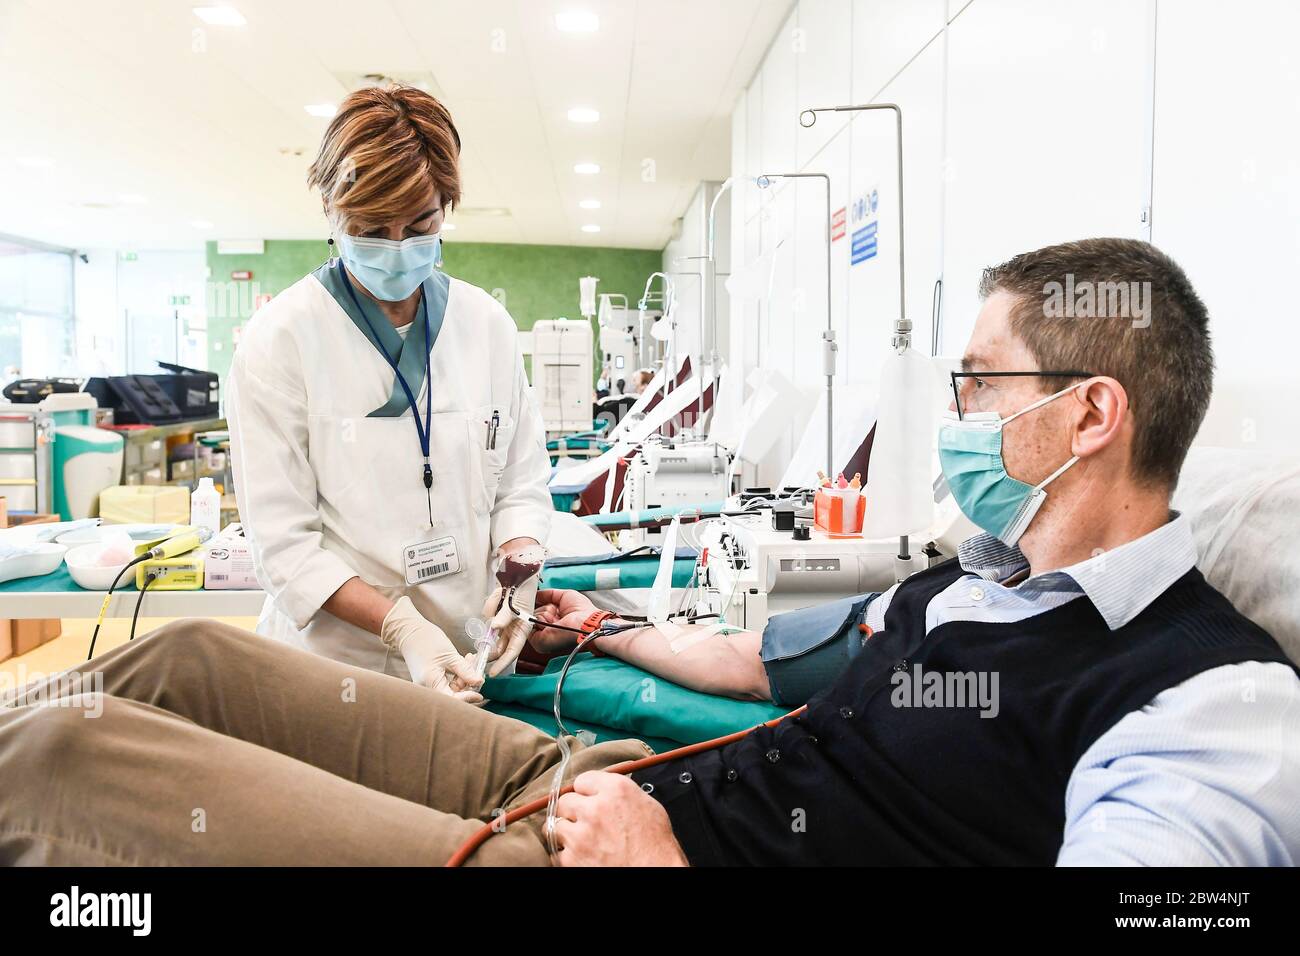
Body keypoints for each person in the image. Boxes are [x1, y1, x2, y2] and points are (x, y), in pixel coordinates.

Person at [3, 238, 1296, 865]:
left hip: (627, 864)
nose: (954, 418)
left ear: (1088, 411)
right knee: (184, 665)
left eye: (976, 385)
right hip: (619, 776)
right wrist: (594, 625)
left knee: (69, 755)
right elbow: (748, 661)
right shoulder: (967, 578)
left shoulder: (1209, 698)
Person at [226, 86, 551, 696]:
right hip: (335, 665)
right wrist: (402, 627)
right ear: (330, 211)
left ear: (446, 209)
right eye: (372, 229)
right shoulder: (281, 340)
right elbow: (283, 545)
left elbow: (519, 484)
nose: (398, 248)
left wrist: (516, 581)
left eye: (421, 224)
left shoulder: (486, 326)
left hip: (466, 650)